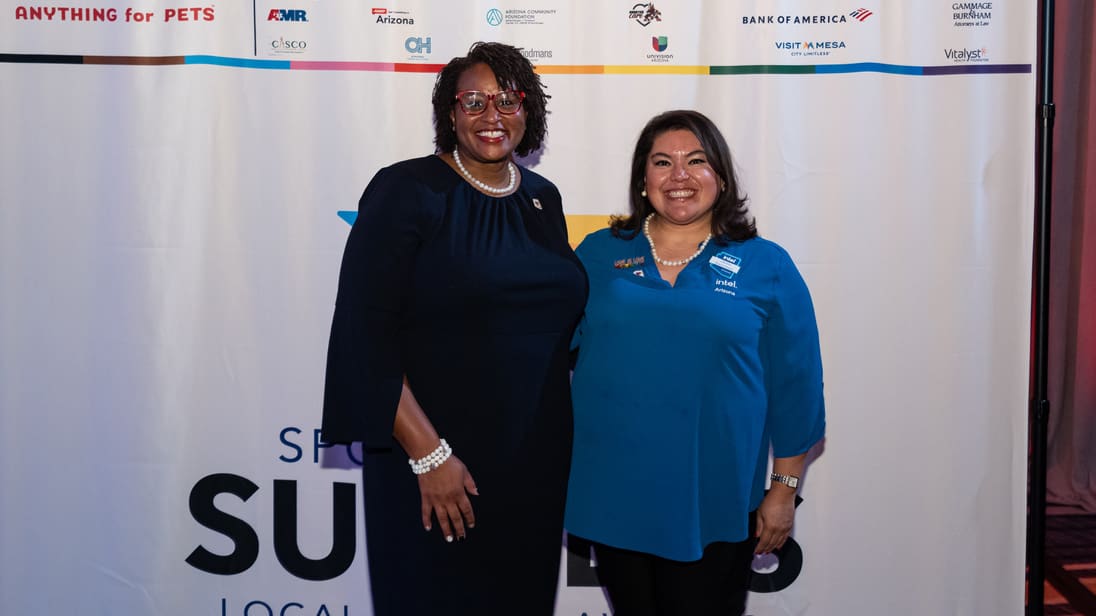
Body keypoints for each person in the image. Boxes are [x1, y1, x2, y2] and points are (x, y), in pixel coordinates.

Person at [320, 42, 586, 615]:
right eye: (474, 101)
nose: (492, 115)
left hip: (533, 465)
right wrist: (429, 456)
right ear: (450, 112)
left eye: (508, 100)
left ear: (528, 111)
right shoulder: (406, 190)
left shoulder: (542, 199)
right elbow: (365, 337)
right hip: (436, 465)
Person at [564, 110, 825, 616]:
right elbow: (542, 345)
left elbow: (797, 390)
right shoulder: (597, 254)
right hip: (616, 492)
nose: (678, 175)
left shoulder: (766, 264)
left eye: (696, 161)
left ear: (720, 178)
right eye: (663, 162)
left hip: (716, 500)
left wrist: (783, 491)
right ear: (643, 180)